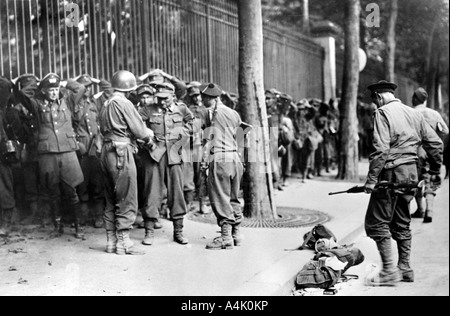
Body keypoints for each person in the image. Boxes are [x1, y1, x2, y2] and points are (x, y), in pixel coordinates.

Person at [363, 80, 443, 286]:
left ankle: (389, 271)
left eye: (374, 100)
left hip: (390, 175)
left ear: (379, 97)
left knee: (377, 222)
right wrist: (435, 169)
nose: (375, 104)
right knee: (401, 220)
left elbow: (380, 149)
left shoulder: (382, 113)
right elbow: (435, 143)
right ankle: (405, 268)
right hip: (411, 175)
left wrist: (371, 180)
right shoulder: (414, 114)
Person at [17, 73, 86, 239]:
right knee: (52, 191)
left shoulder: (68, 101)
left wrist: (65, 80)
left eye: (56, 89)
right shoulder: (36, 104)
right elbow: (23, 94)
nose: (54, 92)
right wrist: (37, 83)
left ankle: (78, 227)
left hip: (68, 152)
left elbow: (80, 87)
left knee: (71, 190)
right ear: (44, 91)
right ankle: (58, 226)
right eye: (50, 89)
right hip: (48, 153)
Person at [99, 70, 154, 255]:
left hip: (106, 151)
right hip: (122, 152)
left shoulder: (105, 103)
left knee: (110, 198)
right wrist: (149, 136)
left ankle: (111, 241)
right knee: (126, 197)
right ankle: (124, 243)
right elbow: (140, 131)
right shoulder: (124, 103)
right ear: (129, 88)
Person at [138, 81, 193, 246]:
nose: (162, 102)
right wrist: (146, 140)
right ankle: (149, 232)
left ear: (173, 96)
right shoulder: (148, 109)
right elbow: (135, 125)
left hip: (175, 155)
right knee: (152, 193)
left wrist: (181, 133)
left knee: (177, 193)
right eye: (159, 98)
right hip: (154, 155)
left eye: (165, 98)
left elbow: (194, 123)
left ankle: (178, 231)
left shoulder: (182, 109)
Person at [200, 83, 244, 250]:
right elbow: (242, 133)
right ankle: (236, 234)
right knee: (234, 196)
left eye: (203, 97)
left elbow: (208, 140)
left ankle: (225, 237)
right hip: (235, 157)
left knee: (220, 197)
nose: (201, 100)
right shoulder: (233, 112)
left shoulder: (212, 114)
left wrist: (204, 161)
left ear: (212, 98)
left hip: (220, 158)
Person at [410, 87, 449, 223]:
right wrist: (436, 140)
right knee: (430, 180)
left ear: (415, 98)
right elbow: (445, 131)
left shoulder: (410, 113)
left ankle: (420, 209)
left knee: (415, 181)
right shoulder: (434, 114)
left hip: (415, 152)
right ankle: (429, 211)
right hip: (431, 152)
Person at [71, 74, 105, 228]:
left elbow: (109, 88)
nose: (88, 89)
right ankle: (83, 216)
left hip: (95, 147)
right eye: (84, 86)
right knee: (82, 184)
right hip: (81, 148)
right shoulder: (72, 104)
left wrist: (98, 80)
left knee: (97, 183)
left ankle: (98, 216)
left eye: (90, 86)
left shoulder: (95, 103)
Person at [12, 74, 42, 226]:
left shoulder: (39, 104)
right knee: (30, 183)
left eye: (34, 86)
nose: (32, 90)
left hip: (42, 147)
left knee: (44, 181)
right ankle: (34, 213)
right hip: (28, 148)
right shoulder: (18, 108)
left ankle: (46, 214)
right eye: (29, 86)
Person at [183, 82, 210, 214]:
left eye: (198, 95)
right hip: (186, 147)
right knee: (187, 176)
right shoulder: (185, 108)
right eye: (193, 95)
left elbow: (209, 130)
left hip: (199, 146)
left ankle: (202, 203)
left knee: (201, 176)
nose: (196, 98)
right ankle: (188, 203)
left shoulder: (205, 111)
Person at [0, 77, 17, 236]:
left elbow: (5, 85)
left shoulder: (3, 107)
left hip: (1, 151)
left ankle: (6, 222)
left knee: (4, 185)